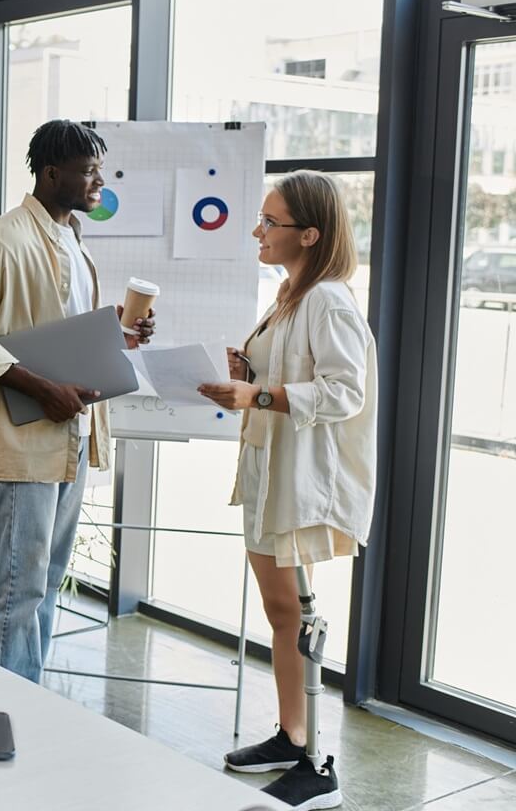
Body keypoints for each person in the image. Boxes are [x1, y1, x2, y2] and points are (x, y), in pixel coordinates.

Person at [0, 120, 154, 682]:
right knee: (17, 585)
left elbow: (54, 326)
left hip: (70, 433)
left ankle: (29, 697)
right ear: (52, 174)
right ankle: (4, 703)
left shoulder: (71, 238)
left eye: (100, 170)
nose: (99, 181)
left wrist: (119, 332)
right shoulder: (0, 241)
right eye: (89, 171)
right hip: (24, 435)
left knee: (47, 580)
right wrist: (42, 389)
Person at [199, 170, 376, 810]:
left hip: (301, 481)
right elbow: (287, 376)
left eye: (270, 222)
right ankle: (292, 735)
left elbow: (346, 391)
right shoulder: (289, 295)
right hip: (268, 474)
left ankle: (317, 764)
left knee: (297, 616)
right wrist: (249, 373)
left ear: (310, 234)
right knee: (281, 613)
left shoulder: (328, 300)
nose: (257, 231)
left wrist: (259, 394)